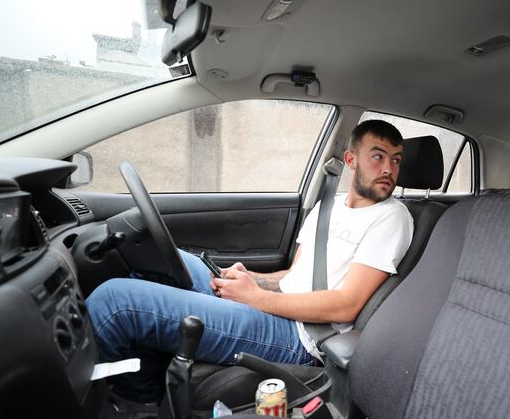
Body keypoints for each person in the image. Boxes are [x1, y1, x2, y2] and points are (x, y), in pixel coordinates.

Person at [86, 120, 414, 402]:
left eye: (396, 160)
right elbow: (293, 275)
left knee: (114, 302)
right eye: (378, 156)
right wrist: (251, 279)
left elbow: (346, 305)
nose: (389, 169)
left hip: (303, 339)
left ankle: (138, 405)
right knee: (156, 264)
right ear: (351, 160)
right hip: (281, 306)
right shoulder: (330, 206)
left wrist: (256, 298)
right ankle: (149, 383)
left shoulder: (392, 218)